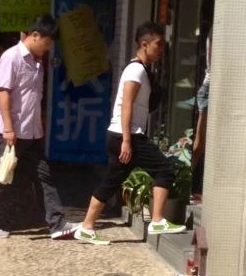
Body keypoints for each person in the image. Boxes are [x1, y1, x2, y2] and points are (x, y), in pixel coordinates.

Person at [75, 22, 186, 245]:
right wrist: (127, 141)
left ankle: (86, 227)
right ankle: (157, 220)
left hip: (120, 134)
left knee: (110, 182)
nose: (161, 49)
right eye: (157, 44)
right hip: (128, 135)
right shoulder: (135, 70)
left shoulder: (141, 69)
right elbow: (126, 104)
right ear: (144, 45)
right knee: (164, 168)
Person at [0, 15, 78, 240]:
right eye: (47, 42)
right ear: (35, 35)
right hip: (10, 131)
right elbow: (3, 93)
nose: (48, 47)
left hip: (31, 132)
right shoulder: (11, 58)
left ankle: (57, 223)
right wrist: (8, 128)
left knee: (43, 176)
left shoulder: (37, 62)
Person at [191, 27, 212, 201]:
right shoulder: (214, 33)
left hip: (211, 90)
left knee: (203, 145)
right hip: (210, 90)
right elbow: (213, 64)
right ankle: (183, 185)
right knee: (200, 146)